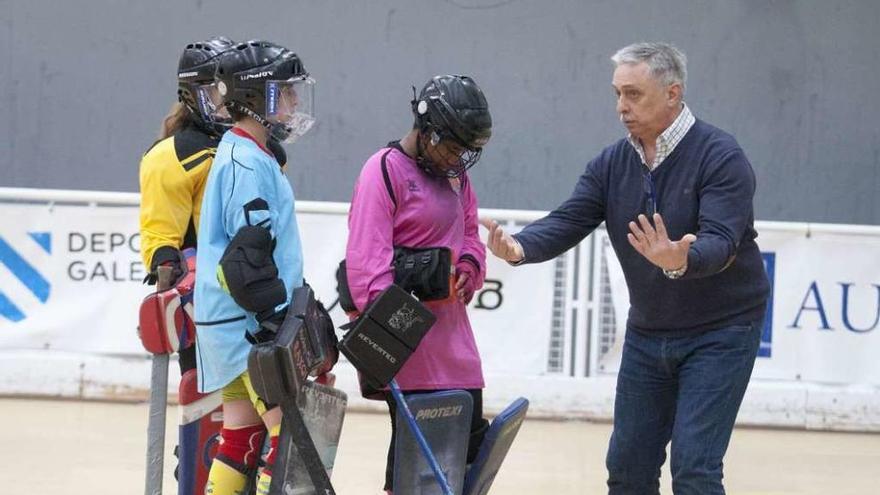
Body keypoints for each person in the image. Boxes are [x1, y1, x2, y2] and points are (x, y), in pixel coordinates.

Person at [482, 42, 770, 495]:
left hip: (722, 331)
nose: (621, 107)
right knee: (627, 468)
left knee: (694, 466)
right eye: (617, 94)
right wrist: (519, 247)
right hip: (650, 330)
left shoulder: (720, 155)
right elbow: (570, 218)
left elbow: (722, 240)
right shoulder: (613, 162)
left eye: (633, 94)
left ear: (673, 93)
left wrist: (683, 258)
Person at [137, 35, 290, 495]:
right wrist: (179, 275)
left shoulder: (250, 149)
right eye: (209, 92)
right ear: (190, 94)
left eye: (223, 90)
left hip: (245, 301)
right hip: (219, 312)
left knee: (243, 432)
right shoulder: (172, 156)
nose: (220, 103)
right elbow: (161, 241)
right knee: (214, 431)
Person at [344, 74, 493, 494]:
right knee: (413, 473)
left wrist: (469, 265)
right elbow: (365, 269)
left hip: (457, 349)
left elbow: (470, 235)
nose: (457, 158)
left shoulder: (456, 177)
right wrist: (388, 344)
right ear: (426, 130)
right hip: (408, 352)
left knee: (465, 465)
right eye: (452, 146)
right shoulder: (383, 171)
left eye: (466, 149)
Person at [193, 39, 316, 495]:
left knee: (240, 439)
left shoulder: (243, 151)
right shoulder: (247, 161)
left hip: (229, 325)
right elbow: (245, 260)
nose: (295, 101)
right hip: (247, 327)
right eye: (286, 92)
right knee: (290, 439)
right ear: (257, 96)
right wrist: (273, 324)